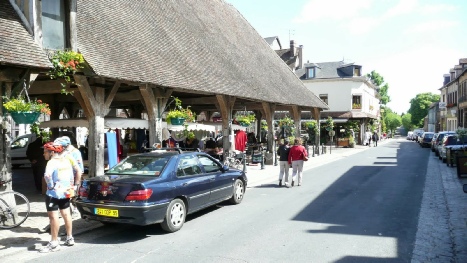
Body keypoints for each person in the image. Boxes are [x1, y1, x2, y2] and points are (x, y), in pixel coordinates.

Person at [40, 142, 81, 253]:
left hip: (53, 194)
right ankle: (69, 238)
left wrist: (50, 186)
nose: (44, 154)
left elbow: (47, 176)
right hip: (66, 192)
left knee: (53, 217)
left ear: (52, 152)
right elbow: (75, 172)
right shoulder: (66, 160)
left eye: (45, 152)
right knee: (66, 214)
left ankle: (54, 243)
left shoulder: (51, 162)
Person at [54, 136, 84, 216]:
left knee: (74, 194)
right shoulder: (64, 152)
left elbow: (79, 169)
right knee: (65, 194)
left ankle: (75, 209)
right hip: (65, 177)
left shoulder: (75, 152)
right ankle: (63, 210)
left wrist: (77, 183)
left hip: (74, 177)